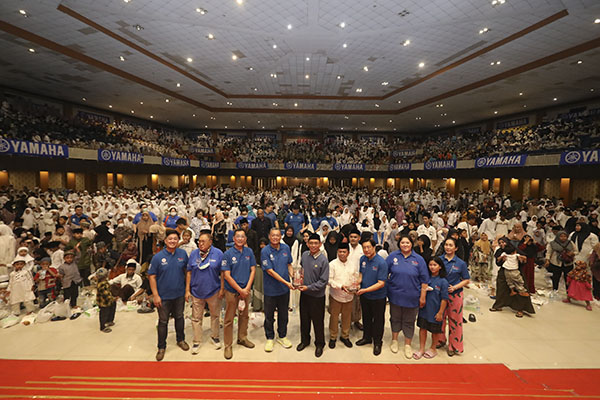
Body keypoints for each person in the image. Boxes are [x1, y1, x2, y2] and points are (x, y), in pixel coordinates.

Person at [148, 229, 190, 361]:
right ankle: (161, 347)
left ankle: (180, 340)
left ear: (178, 241)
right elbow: (152, 277)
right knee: (163, 321)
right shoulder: (157, 257)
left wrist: (187, 290)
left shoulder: (182, 254)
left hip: (179, 294)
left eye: (175, 239)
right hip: (163, 296)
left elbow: (187, 272)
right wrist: (155, 295)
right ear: (165, 241)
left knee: (179, 317)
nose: (172, 241)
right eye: (170, 239)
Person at [386, 235, 428, 358]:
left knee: (409, 321)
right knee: (395, 318)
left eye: (407, 243)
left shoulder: (419, 259)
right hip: (395, 295)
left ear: (412, 244)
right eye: (403, 243)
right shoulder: (392, 256)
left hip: (412, 297)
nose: (405, 245)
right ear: (399, 244)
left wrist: (423, 297)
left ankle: (407, 344)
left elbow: (424, 280)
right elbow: (384, 273)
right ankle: (394, 340)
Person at [186, 232, 224, 354]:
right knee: (196, 318)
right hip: (196, 291)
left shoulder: (218, 253)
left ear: (210, 242)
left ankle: (215, 336)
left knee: (215, 315)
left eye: (203, 241)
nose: (200, 244)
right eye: (199, 241)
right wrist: (187, 290)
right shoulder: (194, 254)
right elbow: (189, 272)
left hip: (213, 290)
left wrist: (222, 289)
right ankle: (197, 341)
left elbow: (223, 273)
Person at [221, 228, 256, 360]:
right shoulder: (228, 254)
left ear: (245, 239)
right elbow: (226, 275)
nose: (240, 239)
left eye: (242, 237)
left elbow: (253, 270)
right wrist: (240, 290)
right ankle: (228, 345)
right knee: (229, 319)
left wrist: (247, 288)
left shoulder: (249, 252)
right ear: (233, 239)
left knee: (244, 316)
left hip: (246, 290)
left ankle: (242, 338)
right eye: (238, 237)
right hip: (232, 291)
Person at [261, 228, 294, 352]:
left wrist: (293, 276)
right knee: (269, 316)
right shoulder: (265, 251)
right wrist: (286, 282)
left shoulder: (286, 248)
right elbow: (270, 271)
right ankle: (270, 337)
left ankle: (282, 336)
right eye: (273, 235)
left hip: (284, 290)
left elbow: (289, 264)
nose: (275, 237)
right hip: (270, 290)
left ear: (281, 236)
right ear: (269, 236)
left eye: (278, 235)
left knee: (284, 314)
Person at [297, 233, 329, 358]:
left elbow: (323, 282)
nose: (313, 245)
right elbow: (302, 270)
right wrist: (299, 279)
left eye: (316, 243)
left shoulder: (323, 260)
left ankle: (320, 344)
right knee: (304, 319)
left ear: (320, 244)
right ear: (307, 243)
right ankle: (305, 340)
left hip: (317, 296)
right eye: (311, 243)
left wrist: (308, 287)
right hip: (304, 295)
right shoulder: (305, 255)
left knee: (318, 321)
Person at [356, 239, 388, 356]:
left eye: (369, 247)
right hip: (365, 296)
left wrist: (365, 289)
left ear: (374, 247)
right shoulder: (362, 259)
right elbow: (361, 274)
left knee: (378, 320)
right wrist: (357, 283)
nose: (366, 250)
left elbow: (381, 283)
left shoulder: (381, 263)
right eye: (364, 247)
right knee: (366, 317)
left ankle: (378, 342)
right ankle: (367, 337)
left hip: (378, 297)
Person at [490, 237, 535, 318]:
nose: (501, 244)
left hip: (516, 272)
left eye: (503, 242)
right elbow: (498, 263)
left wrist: (521, 260)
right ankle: (498, 305)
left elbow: (524, 260)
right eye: (500, 243)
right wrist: (502, 260)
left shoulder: (515, 250)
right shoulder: (500, 251)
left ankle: (520, 309)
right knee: (501, 288)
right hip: (504, 271)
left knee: (520, 289)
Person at [439, 237, 470, 356]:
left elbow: (466, 280)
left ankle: (454, 346)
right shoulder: (439, 260)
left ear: (456, 248)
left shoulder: (461, 263)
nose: (448, 247)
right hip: (440, 295)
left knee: (455, 321)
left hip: (455, 295)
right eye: (446, 245)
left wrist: (455, 287)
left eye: (451, 245)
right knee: (440, 318)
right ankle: (440, 340)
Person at [413, 257, 449, 360]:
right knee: (422, 329)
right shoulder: (425, 279)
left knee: (435, 331)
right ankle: (421, 349)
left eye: (435, 265)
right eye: (430, 265)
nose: (432, 267)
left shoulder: (443, 282)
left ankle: (433, 348)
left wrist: (440, 312)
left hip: (435, 311)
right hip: (424, 310)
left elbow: (444, 299)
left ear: (440, 267)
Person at [328, 242, 356, 349]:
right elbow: (329, 280)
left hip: (349, 296)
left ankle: (345, 336)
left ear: (348, 253)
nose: (342, 254)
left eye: (344, 252)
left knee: (347, 317)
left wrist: (355, 286)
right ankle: (333, 337)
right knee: (334, 317)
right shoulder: (332, 264)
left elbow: (355, 278)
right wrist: (340, 286)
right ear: (337, 252)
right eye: (340, 252)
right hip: (336, 295)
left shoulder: (352, 264)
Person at [95, 267, 116, 333]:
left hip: (106, 300)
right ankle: (102, 327)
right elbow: (105, 294)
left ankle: (109, 321)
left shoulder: (102, 282)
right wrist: (112, 298)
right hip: (104, 302)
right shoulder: (102, 284)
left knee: (111, 309)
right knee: (104, 314)